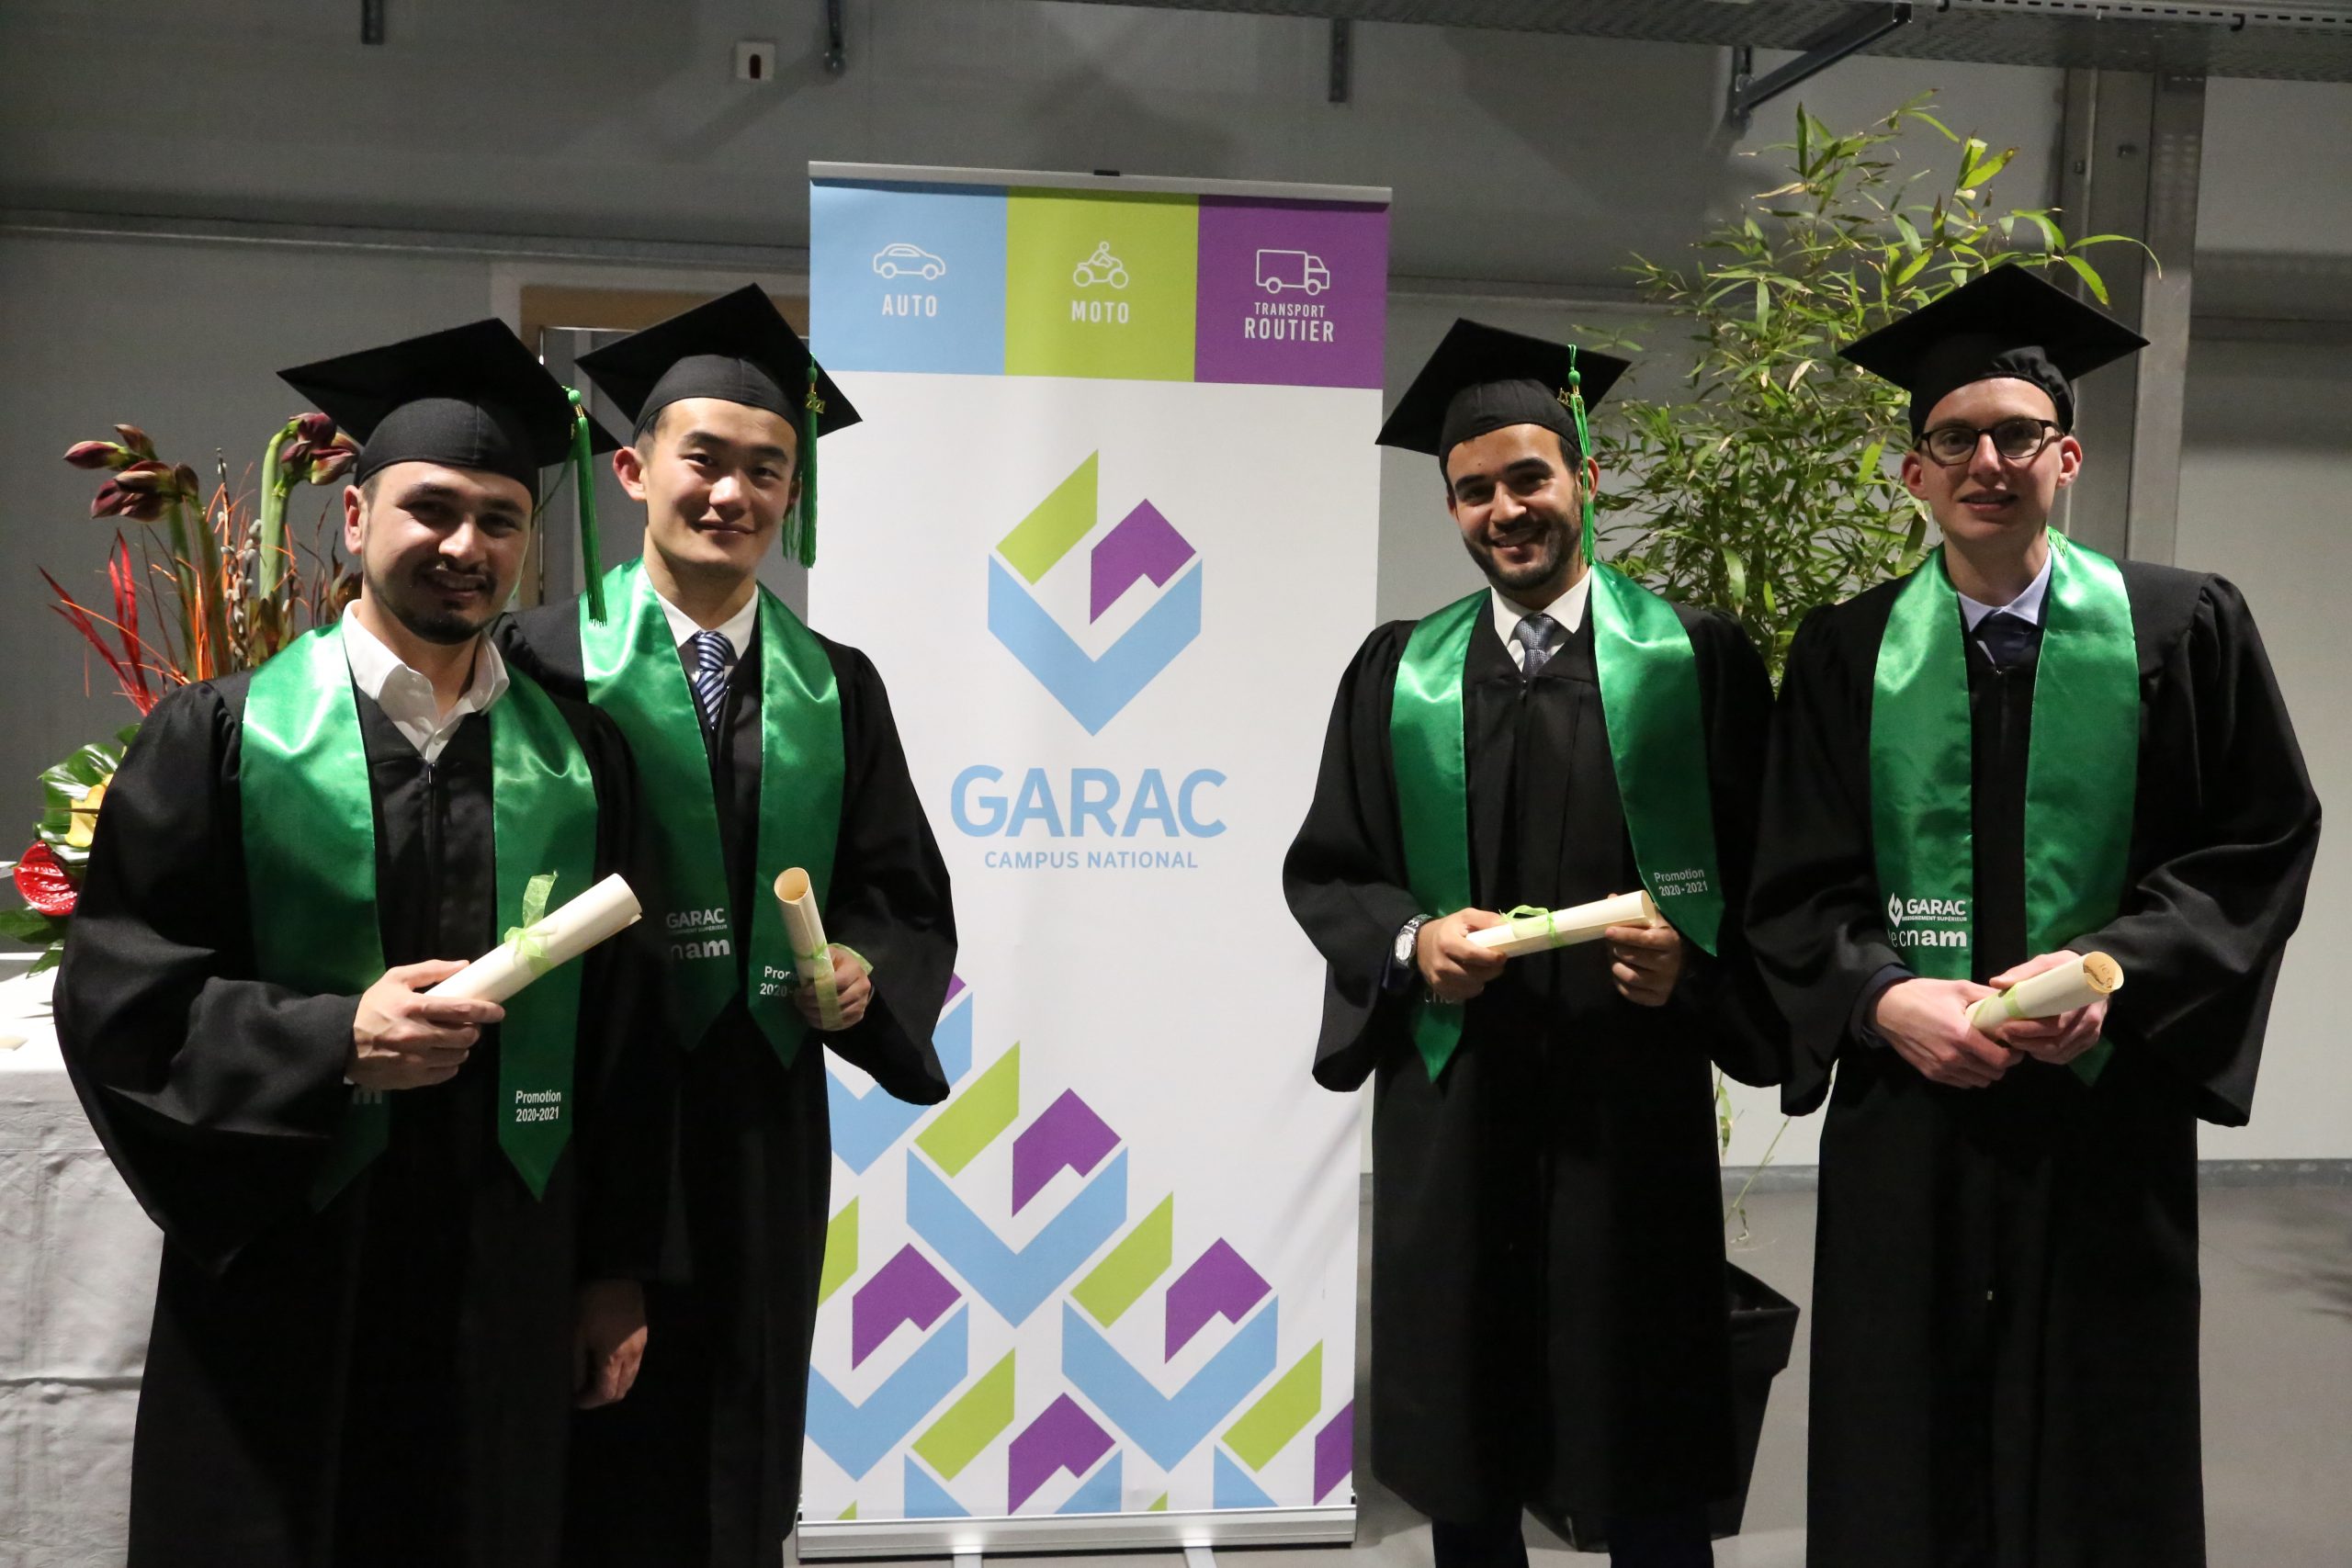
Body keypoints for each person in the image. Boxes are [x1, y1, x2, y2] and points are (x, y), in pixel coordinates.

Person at [56, 319, 668, 1568]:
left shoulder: (584, 756)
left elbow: (624, 1032)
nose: (465, 546)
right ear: (353, 519)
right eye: (430, 509)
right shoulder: (223, 739)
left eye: (500, 520)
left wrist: (613, 1268)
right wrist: (334, 1037)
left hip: (509, 1257)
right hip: (294, 1255)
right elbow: (122, 998)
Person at [1745, 263, 2323, 1568]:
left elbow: (2259, 842)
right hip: (1913, 1102)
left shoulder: (2182, 625)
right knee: (1908, 1427)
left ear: (2067, 456)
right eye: (1956, 440)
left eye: (2017, 435)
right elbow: (1792, 879)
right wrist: (1884, 998)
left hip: (2104, 1104)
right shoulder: (1847, 651)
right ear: (1915, 473)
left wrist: (2112, 971)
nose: (1987, 463)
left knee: (2098, 1421)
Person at [1283, 319, 1783, 1568]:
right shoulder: (1400, 673)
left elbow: (1774, 874)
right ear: (1453, 506)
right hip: (1457, 1097)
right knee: (1468, 1424)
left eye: (1528, 478)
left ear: (1583, 478)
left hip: (1632, 1094)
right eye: (1476, 490)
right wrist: (1411, 941)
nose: (1506, 510)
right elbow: (1333, 868)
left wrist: (1695, 971)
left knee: (1643, 1409)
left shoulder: (1692, 661)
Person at [497, 285, 958, 1568]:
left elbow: (896, 891)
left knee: (741, 1427)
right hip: (585, 1110)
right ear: (635, 470)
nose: (731, 493)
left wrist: (861, 974)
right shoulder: (537, 661)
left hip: (759, 1118)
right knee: (585, 1432)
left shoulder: (836, 685)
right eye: (704, 459)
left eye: (766, 470)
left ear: (790, 496)